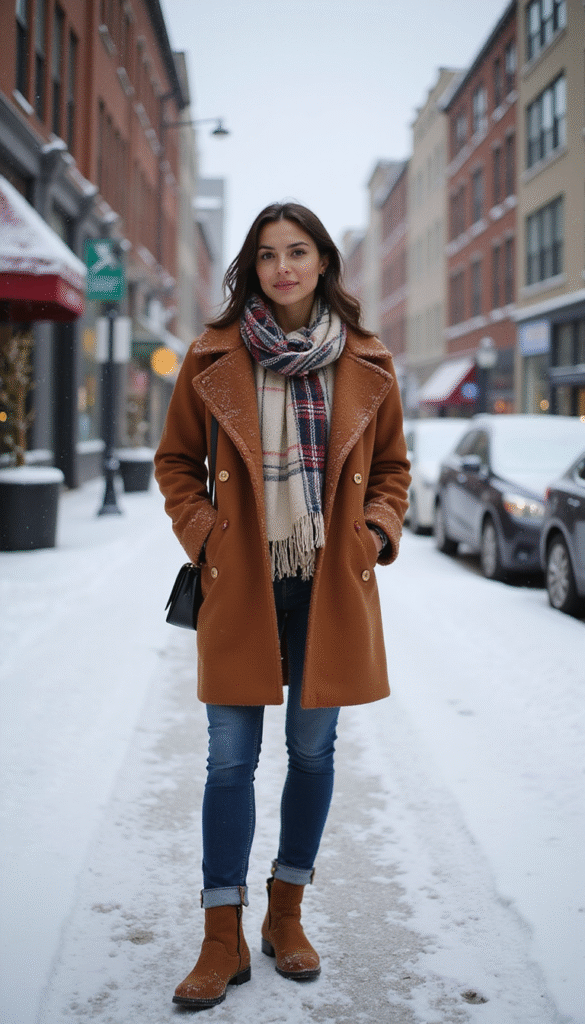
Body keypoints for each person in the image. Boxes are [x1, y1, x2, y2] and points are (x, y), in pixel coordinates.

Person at [154, 202, 410, 1009]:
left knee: (311, 754)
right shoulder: (213, 354)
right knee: (229, 759)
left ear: (323, 261)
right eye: (266, 255)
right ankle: (219, 934)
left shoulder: (366, 360)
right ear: (251, 268)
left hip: (327, 583)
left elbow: (393, 469)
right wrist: (206, 535)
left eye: (297, 252)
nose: (282, 268)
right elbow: (175, 463)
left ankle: (285, 913)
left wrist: (373, 532)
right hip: (243, 582)